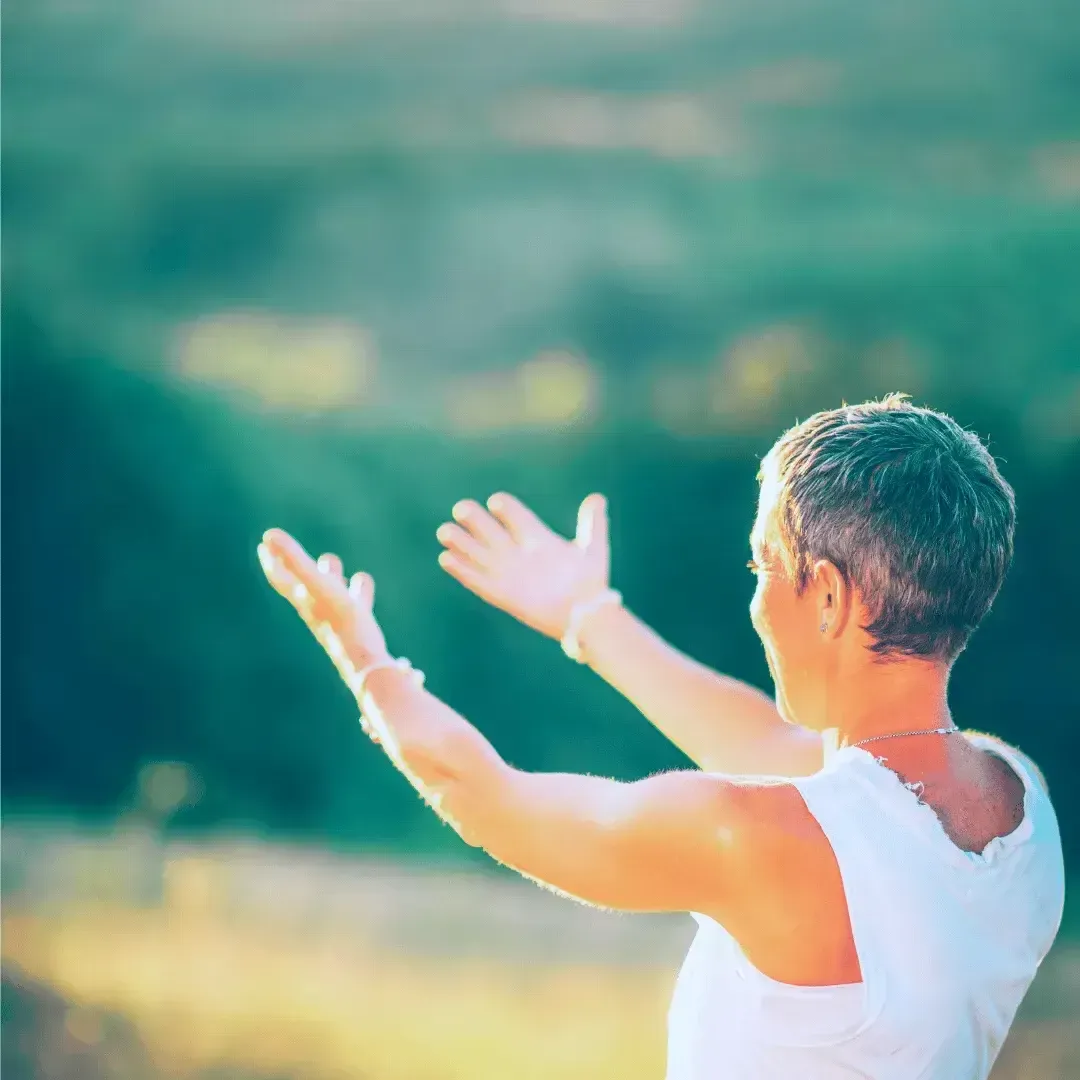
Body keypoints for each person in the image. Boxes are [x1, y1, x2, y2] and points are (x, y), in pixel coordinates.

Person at [257, 394, 1064, 1079]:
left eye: (762, 570)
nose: (755, 603)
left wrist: (361, 656)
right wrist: (587, 618)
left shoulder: (754, 839)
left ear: (825, 597)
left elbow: (484, 796)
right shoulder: (1021, 805)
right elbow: (776, 747)